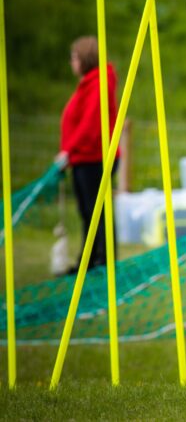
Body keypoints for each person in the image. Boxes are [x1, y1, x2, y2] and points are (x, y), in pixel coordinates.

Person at [57, 36, 119, 273]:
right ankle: (90, 259)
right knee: (88, 212)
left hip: (95, 157)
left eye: (74, 57)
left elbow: (91, 125)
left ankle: (103, 261)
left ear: (85, 59)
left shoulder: (99, 82)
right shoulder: (89, 83)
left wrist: (68, 150)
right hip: (83, 157)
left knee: (97, 212)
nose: (71, 62)